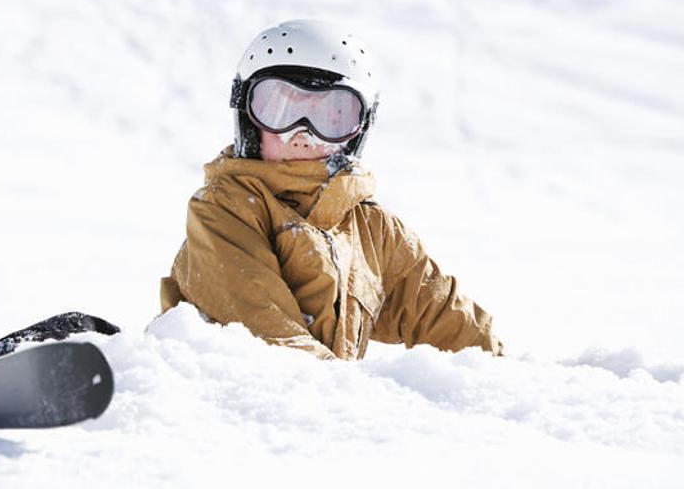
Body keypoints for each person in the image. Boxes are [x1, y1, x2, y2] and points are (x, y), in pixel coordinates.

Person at [159, 19, 503, 360]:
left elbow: (455, 327)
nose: (304, 135)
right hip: (236, 407)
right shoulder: (225, 209)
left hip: (322, 408)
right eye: (279, 110)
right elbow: (272, 348)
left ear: (357, 130)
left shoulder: (373, 232)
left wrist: (506, 387)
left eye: (331, 117)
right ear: (249, 119)